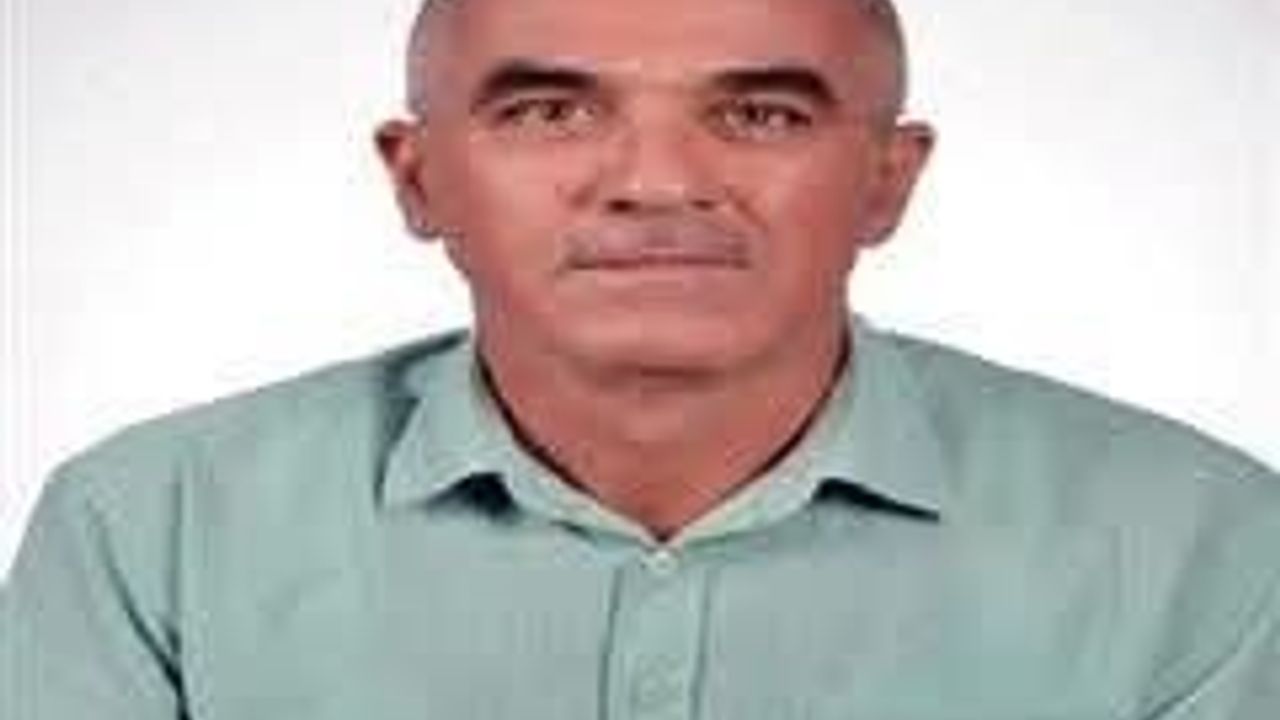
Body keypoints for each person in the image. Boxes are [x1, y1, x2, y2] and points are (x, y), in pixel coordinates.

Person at [3, 0, 1277, 717]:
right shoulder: (150, 533)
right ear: (419, 177)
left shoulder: (1201, 548)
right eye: (549, 111)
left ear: (886, 181)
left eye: (759, 113)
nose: (658, 182)